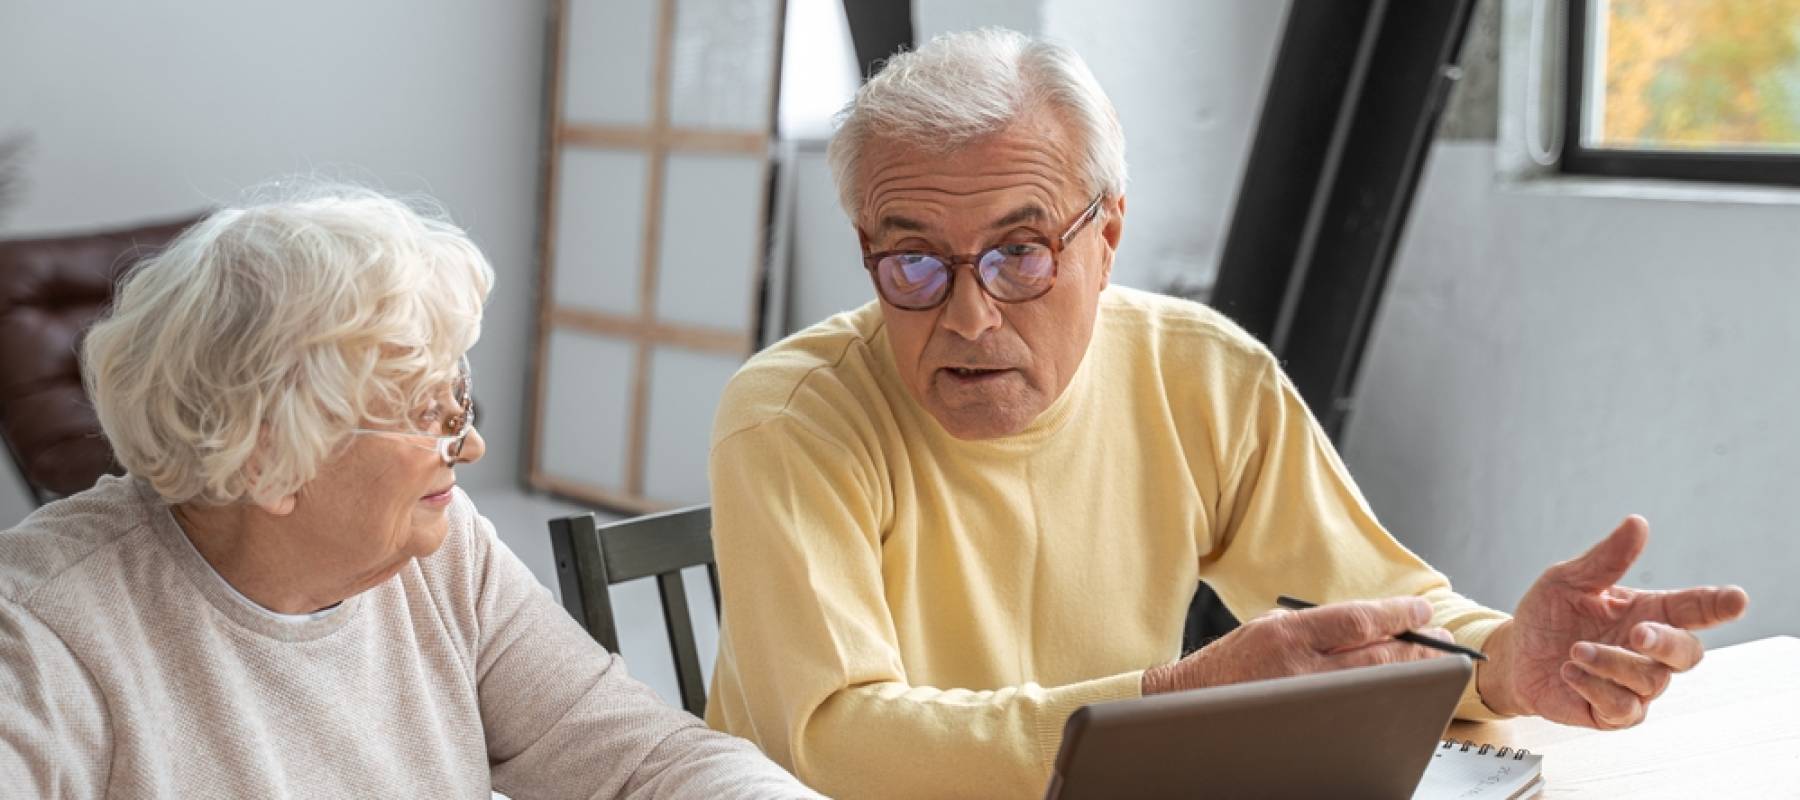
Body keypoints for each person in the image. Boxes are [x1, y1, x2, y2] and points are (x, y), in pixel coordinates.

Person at [702, 28, 1750, 798]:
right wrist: (1173, 701)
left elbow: (1376, 603)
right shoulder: (791, 419)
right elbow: (832, 744)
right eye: (914, 261)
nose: (969, 316)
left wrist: (1508, 660)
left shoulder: (1198, 373)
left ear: (1108, 235)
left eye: (1021, 252)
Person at [0, 185, 818, 798]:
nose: (470, 445)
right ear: (268, 459)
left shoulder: (442, 549)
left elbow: (644, 759)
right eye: (429, 414)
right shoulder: (43, 634)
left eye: (458, 399)